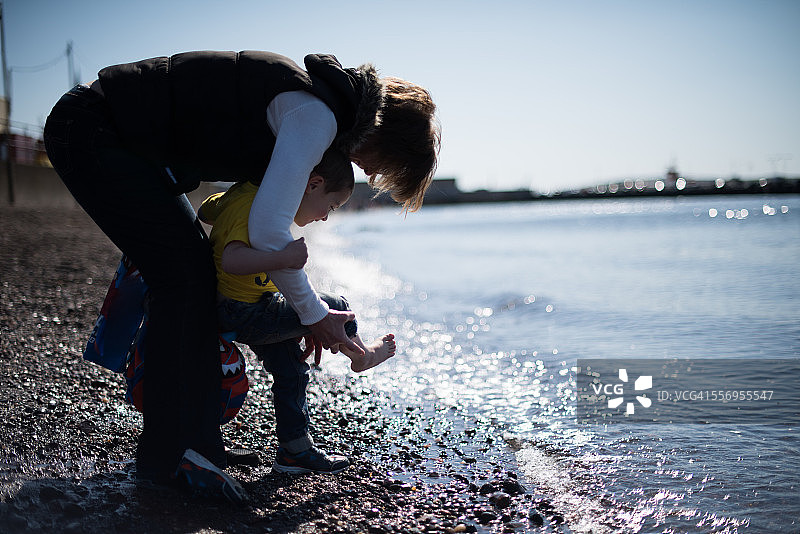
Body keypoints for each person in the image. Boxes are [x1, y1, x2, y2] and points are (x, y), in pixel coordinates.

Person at [43, 50, 439, 500]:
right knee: (184, 281)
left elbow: (258, 218)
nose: (368, 172)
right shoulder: (316, 117)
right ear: (383, 136)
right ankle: (171, 459)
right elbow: (269, 235)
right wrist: (311, 314)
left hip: (111, 132)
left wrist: (304, 310)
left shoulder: (318, 102)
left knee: (192, 276)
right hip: (95, 129)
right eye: (381, 165)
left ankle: (196, 446)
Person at [199, 148, 395, 473]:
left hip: (250, 305)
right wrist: (284, 259)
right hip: (244, 310)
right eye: (331, 206)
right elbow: (233, 261)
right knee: (336, 306)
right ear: (313, 183)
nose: (326, 216)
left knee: (291, 370)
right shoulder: (253, 204)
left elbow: (209, 209)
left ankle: (295, 450)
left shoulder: (252, 194)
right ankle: (361, 355)